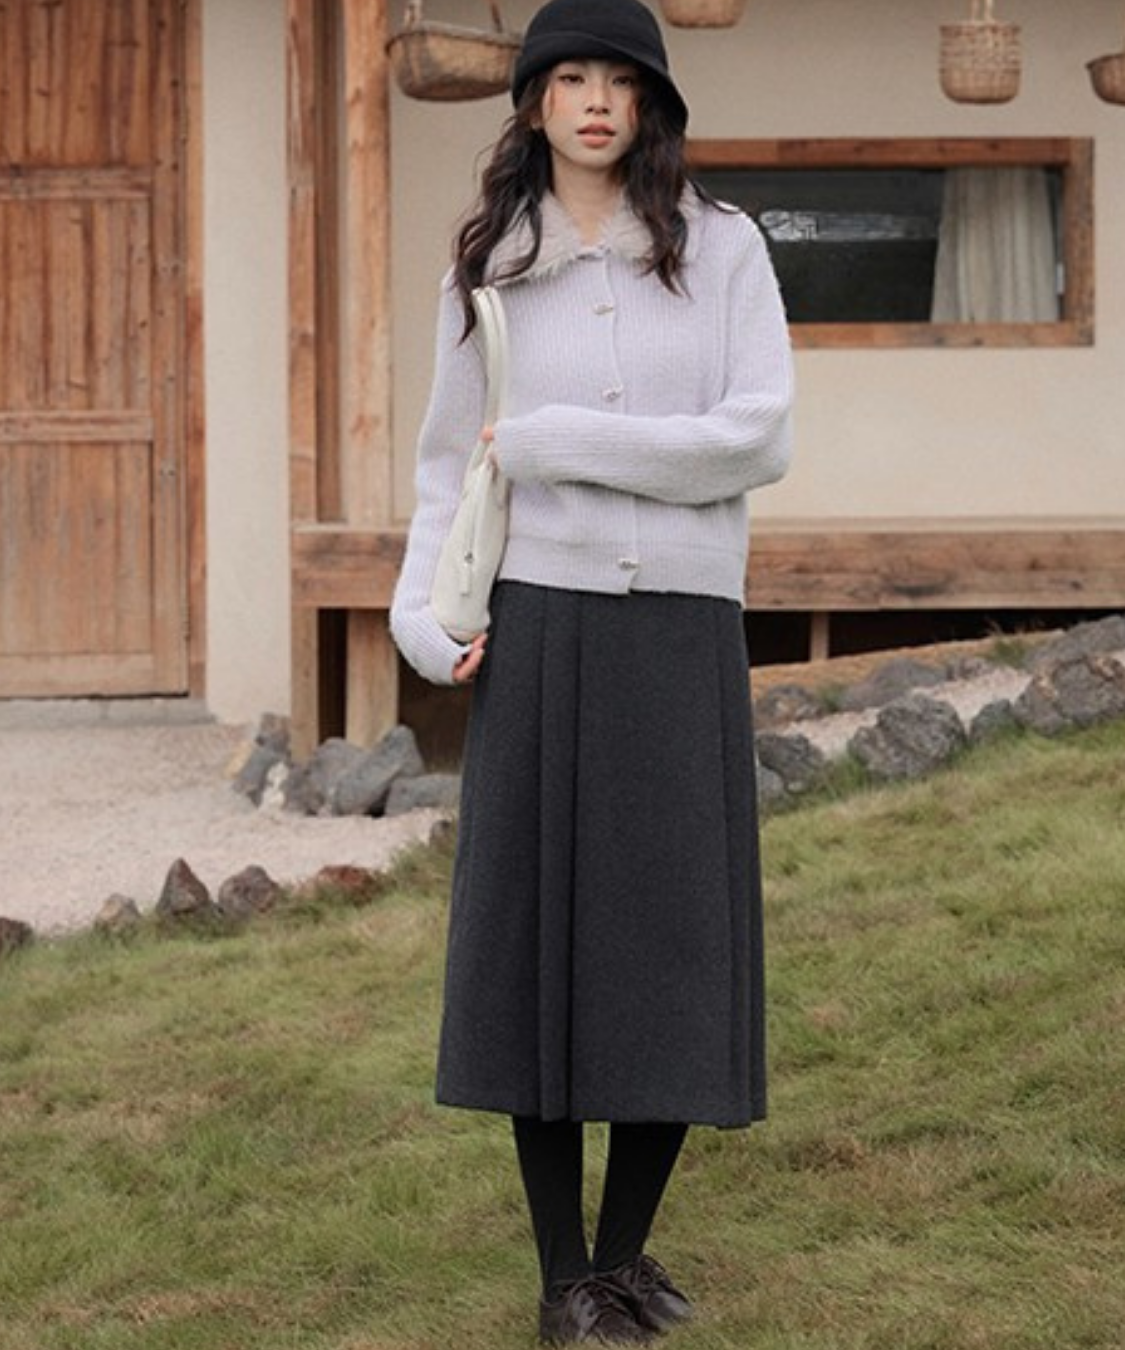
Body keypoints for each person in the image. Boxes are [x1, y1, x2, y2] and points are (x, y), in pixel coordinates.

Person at [390, 0, 794, 1341]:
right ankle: (565, 1274)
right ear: (533, 103)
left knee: (671, 951)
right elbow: (448, 465)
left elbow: (756, 438)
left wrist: (557, 439)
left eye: (620, 79)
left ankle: (623, 1257)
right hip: (540, 626)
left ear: (654, 103)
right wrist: (418, 618)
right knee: (539, 960)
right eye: (568, 78)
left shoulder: (724, 250)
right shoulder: (489, 268)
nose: (596, 101)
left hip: (680, 626)